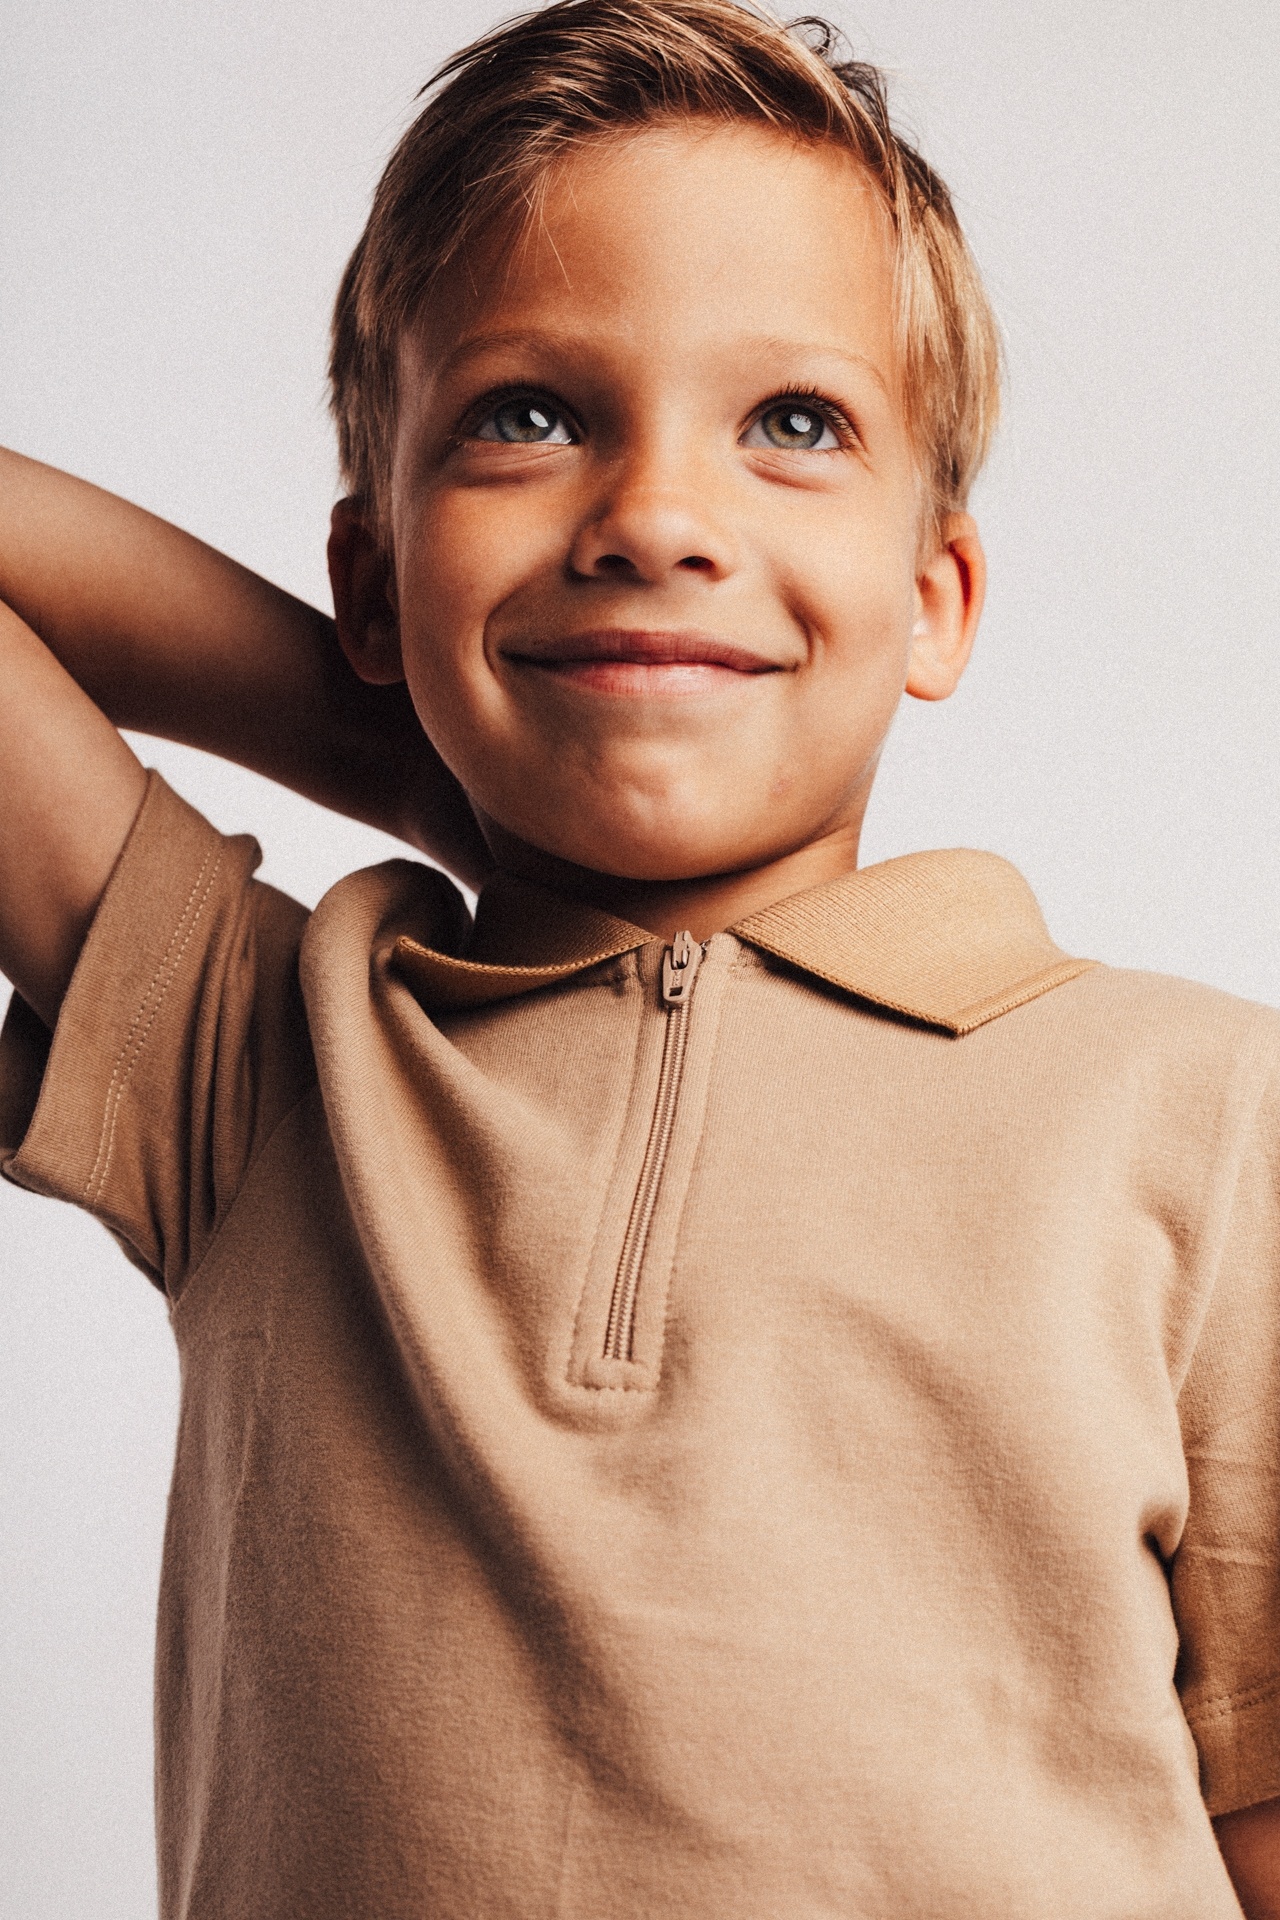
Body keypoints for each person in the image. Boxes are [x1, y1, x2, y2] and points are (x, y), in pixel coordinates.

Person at [2, 1, 1278, 1913]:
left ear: (935, 596)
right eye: (529, 415)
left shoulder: (1208, 1116)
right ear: (372, 578)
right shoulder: (260, 1064)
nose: (657, 520)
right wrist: (415, 754)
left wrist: (493, 707)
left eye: (793, 424)